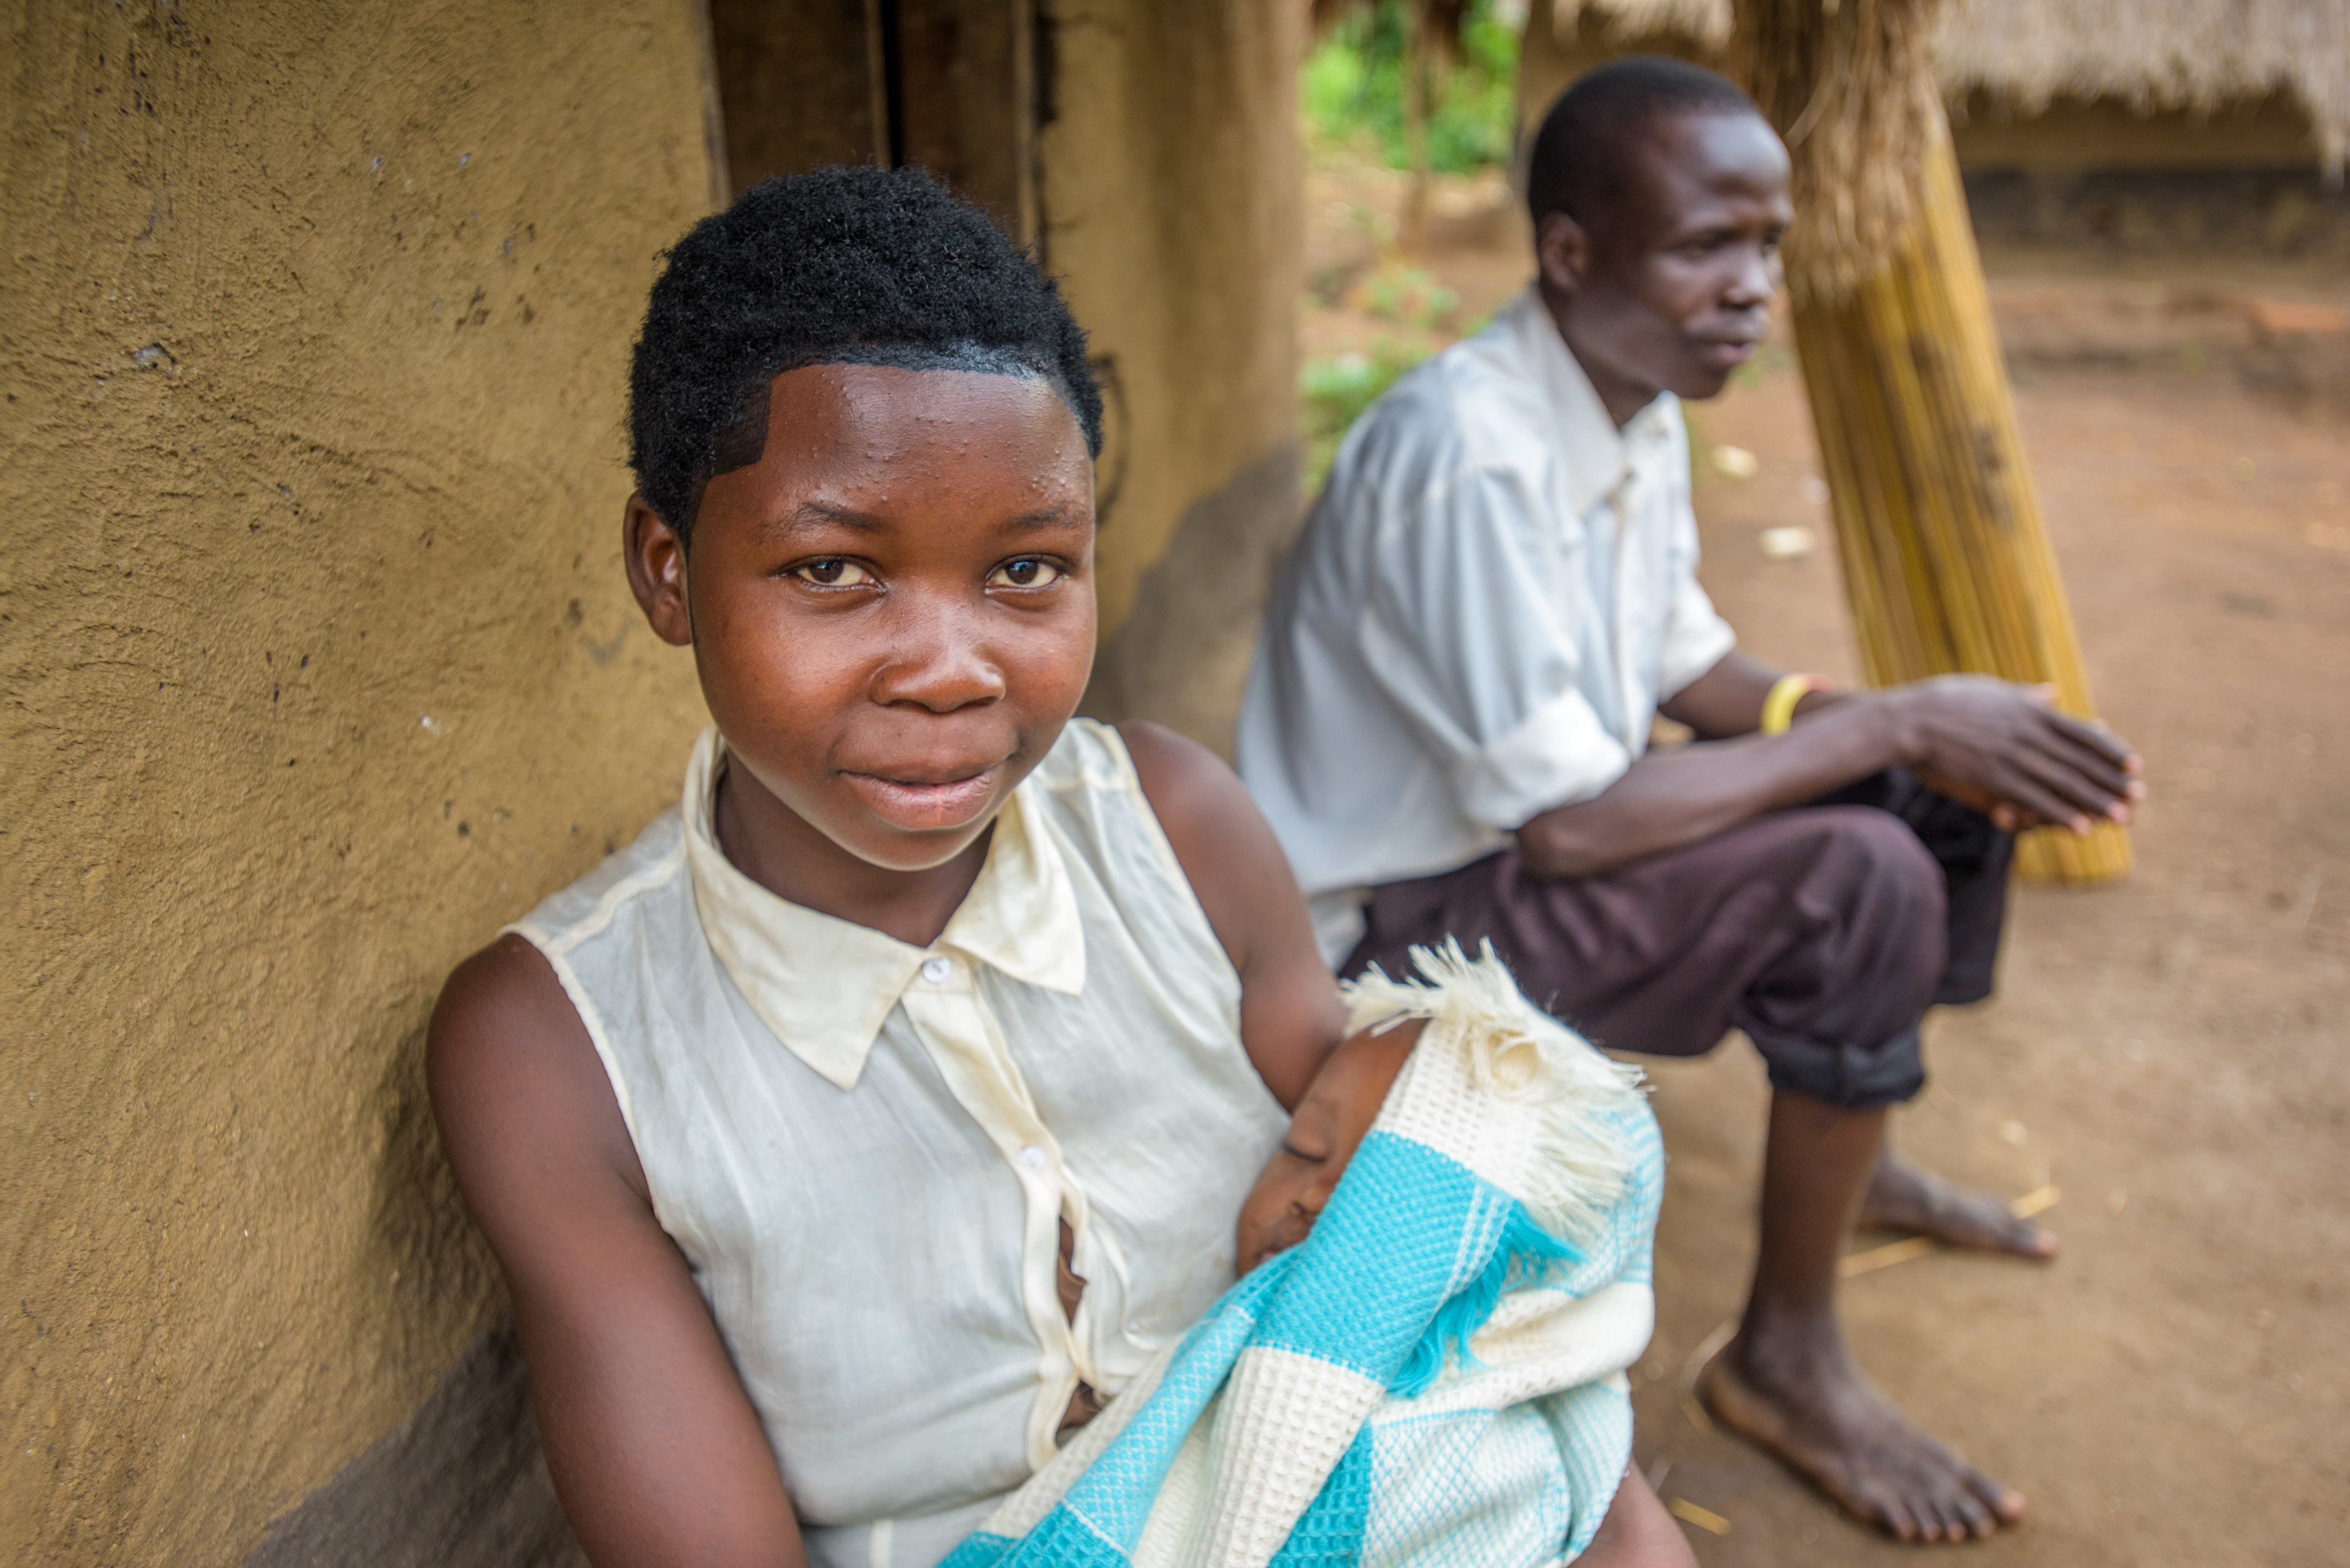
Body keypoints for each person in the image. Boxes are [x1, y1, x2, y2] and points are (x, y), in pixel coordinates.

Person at [428, 168, 1683, 1568]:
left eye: (1026, 571)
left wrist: (1599, 1509)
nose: (951, 671)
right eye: (834, 571)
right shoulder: (558, 1048)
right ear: (668, 570)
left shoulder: (1177, 827)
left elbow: (1408, 1243)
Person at [1237, 57, 2144, 1545]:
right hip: (1398, 929)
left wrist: (1937, 732)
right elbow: (1574, 826)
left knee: (1932, 797)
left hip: (1527, 848)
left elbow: (1700, 670)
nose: (1750, 289)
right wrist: (1899, 715)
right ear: (1572, 251)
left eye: (1767, 248)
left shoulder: (1630, 401)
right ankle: (1783, 1358)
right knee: (1859, 870)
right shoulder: (1466, 452)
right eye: (1703, 246)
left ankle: (1851, 1124)